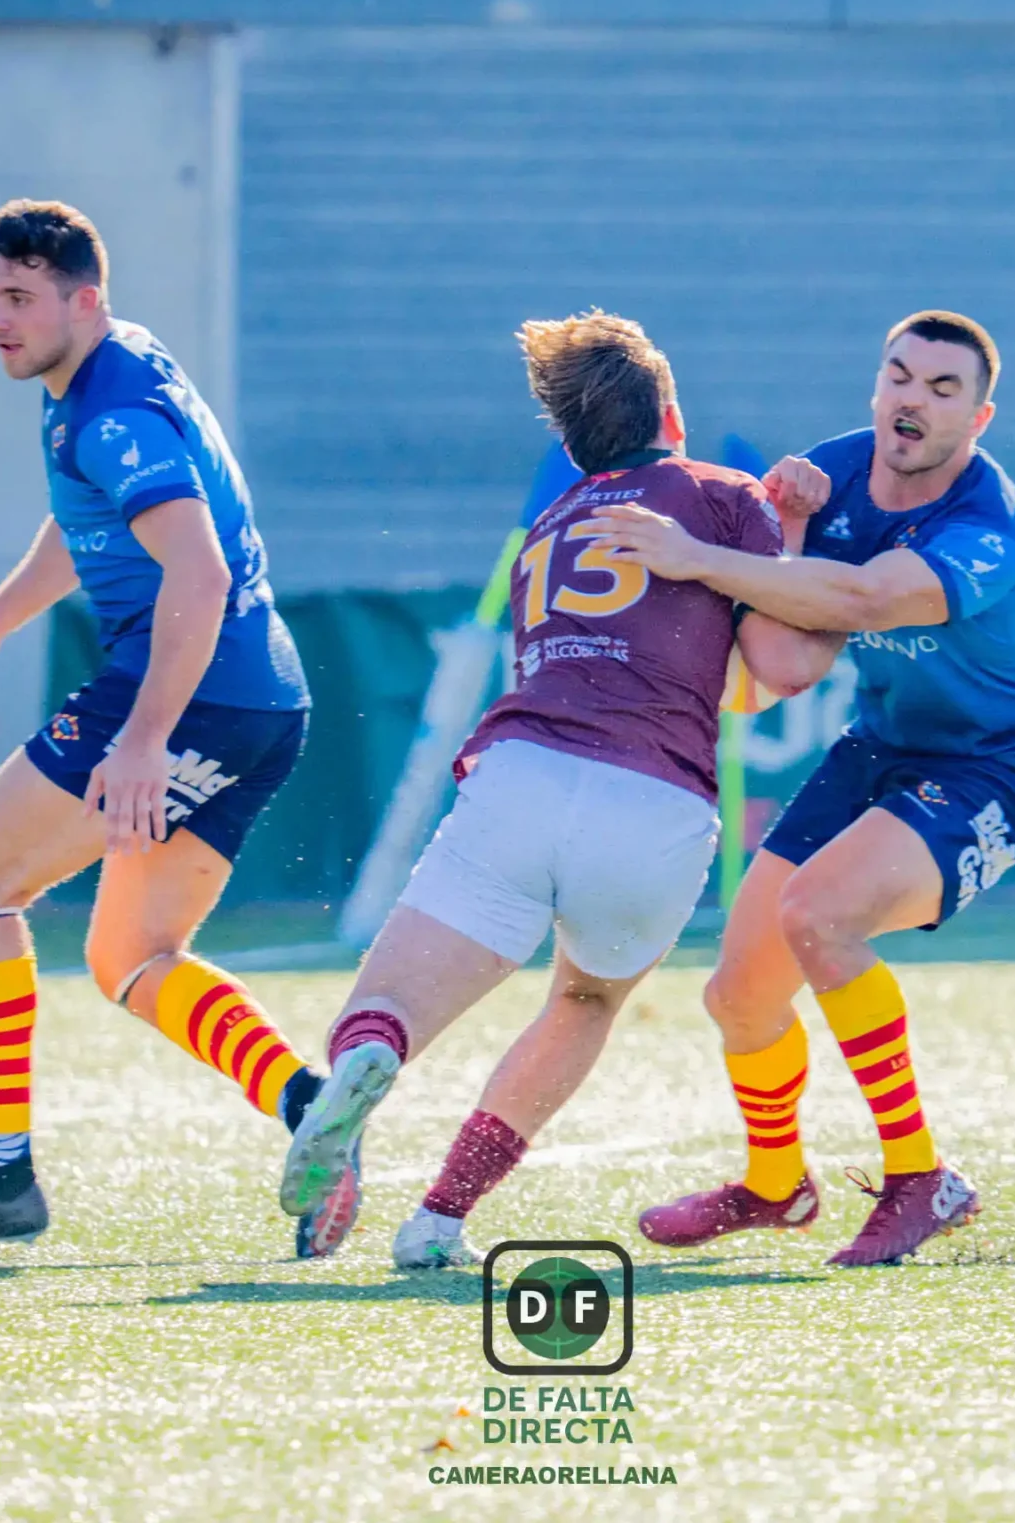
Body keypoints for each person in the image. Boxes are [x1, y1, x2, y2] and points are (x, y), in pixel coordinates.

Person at [277, 311, 839, 1268]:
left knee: (385, 1006)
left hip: (521, 780)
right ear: (670, 412)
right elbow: (771, 672)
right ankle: (439, 1216)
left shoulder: (549, 526)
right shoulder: (723, 492)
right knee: (582, 1002)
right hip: (653, 805)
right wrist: (799, 539)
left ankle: (374, 1054)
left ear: (574, 443)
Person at [0, 199, 348, 1258]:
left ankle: (1, 1176)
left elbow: (198, 573)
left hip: (188, 688)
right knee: (129, 954)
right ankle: (313, 1107)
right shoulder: (110, 369)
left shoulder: (107, 412)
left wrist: (142, 739)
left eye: (21, 297)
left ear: (84, 298)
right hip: (264, 700)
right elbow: (87, 518)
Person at [590, 311, 1015, 1267]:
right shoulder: (831, 473)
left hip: (989, 770)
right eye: (900, 376)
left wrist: (697, 558)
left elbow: (863, 599)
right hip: (875, 751)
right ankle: (776, 1185)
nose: (913, 400)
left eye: (943, 389)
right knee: (739, 995)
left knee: (820, 915)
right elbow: (783, 669)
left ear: (979, 418)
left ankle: (922, 1177)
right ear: (877, 385)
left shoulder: (988, 521)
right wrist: (793, 525)